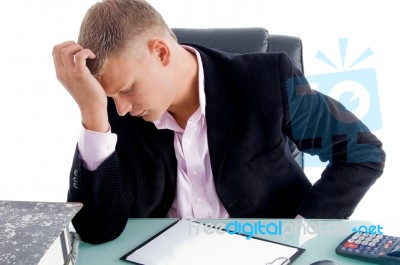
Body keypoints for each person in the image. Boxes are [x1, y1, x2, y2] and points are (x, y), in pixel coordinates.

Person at [52, 0, 385, 244]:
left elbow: (361, 152)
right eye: (112, 98)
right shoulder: (112, 112)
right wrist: (93, 115)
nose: (121, 108)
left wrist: (304, 231)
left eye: (127, 90)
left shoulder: (266, 81)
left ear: (162, 53)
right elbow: (96, 230)